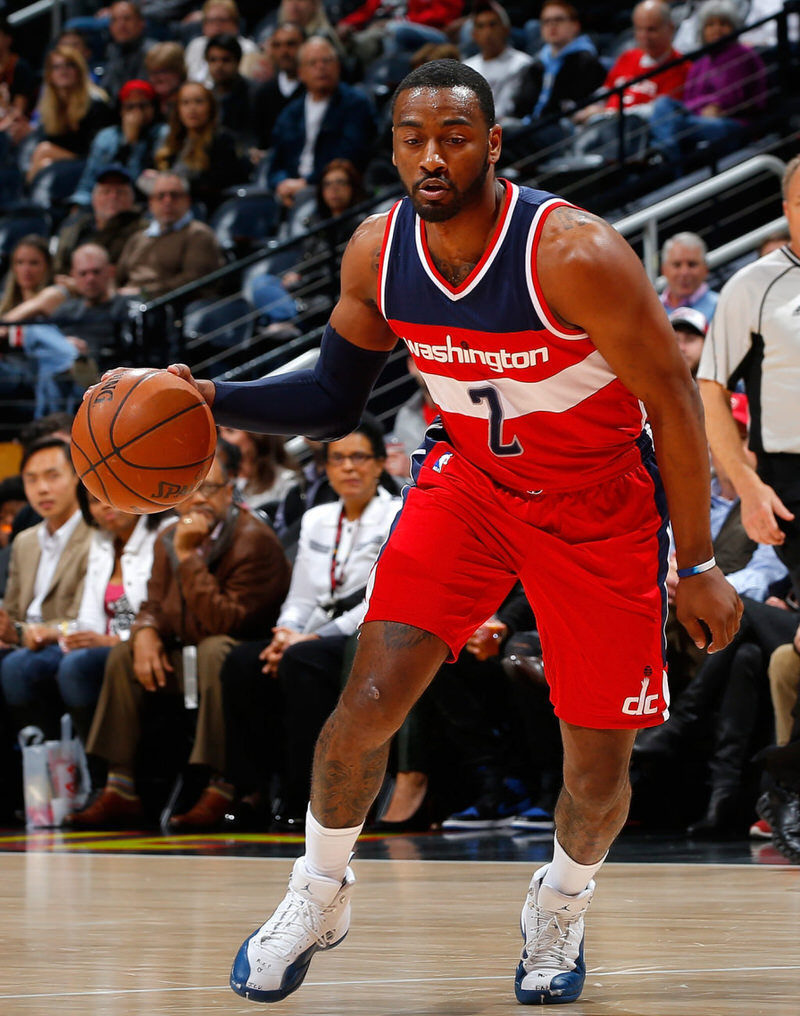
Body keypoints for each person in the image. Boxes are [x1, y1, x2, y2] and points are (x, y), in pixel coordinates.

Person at [166, 60, 741, 1006]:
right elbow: (328, 397)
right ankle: (317, 890)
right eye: (411, 138)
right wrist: (212, 398)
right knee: (369, 697)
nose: (431, 156)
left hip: (596, 509)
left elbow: (675, 405)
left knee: (596, 774)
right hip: (467, 486)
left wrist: (702, 562)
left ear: (493, 144)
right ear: (392, 144)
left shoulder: (575, 253)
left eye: (454, 136)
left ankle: (561, 900)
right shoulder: (375, 251)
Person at [67, 444, 291, 828]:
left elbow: (228, 622)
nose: (199, 499)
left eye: (210, 488)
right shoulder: (167, 536)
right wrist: (146, 631)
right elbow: (153, 603)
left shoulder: (253, 539)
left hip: (247, 663)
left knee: (214, 650)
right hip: (187, 654)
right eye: (190, 490)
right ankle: (119, 786)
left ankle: (221, 785)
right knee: (125, 655)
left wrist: (188, 558)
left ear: (230, 489)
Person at [216, 418, 401, 832]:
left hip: (365, 633)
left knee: (303, 660)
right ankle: (250, 790)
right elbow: (301, 596)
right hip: (310, 633)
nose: (349, 468)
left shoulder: (398, 514)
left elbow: (376, 601)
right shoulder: (317, 518)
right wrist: (284, 633)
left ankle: (307, 795)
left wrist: (308, 638)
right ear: (326, 468)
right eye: (339, 459)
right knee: (242, 663)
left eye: (359, 458)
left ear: (378, 464)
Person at [697, 153, 800, 606]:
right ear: (785, 209)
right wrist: (745, 482)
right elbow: (711, 390)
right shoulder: (753, 285)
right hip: (791, 474)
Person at [0, 438, 92, 740]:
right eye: (32, 479)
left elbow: (85, 616)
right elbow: (12, 611)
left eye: (53, 476)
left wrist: (22, 633)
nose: (41, 489)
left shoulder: (97, 534)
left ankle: (48, 757)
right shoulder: (25, 540)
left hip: (64, 642)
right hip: (23, 641)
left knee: (18, 667)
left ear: (78, 476)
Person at [649, 0, 767, 176]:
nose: (716, 29)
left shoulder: (742, 54)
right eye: (710, 25)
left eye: (723, 24)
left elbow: (734, 97)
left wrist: (715, 106)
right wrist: (705, 107)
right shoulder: (700, 63)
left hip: (733, 123)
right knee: (663, 104)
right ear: (702, 31)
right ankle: (670, 156)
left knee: (672, 127)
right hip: (698, 119)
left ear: (734, 27)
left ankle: (669, 163)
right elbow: (688, 100)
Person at [267, 36, 377, 208]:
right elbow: (275, 161)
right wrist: (281, 184)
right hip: (293, 191)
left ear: (338, 67)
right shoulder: (291, 112)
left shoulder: (355, 104)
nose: (321, 67)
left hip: (334, 190)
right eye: (313, 63)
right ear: (301, 73)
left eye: (326, 61)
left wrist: (307, 182)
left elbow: (350, 154)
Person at [574, 0, 688, 125]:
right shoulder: (628, 57)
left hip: (635, 132)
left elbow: (657, 112)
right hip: (602, 124)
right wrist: (588, 108)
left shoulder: (682, 67)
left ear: (670, 28)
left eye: (652, 30)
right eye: (639, 29)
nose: (645, 36)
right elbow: (606, 91)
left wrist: (607, 113)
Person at [116, 171, 225, 299]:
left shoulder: (198, 234)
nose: (167, 201)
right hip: (126, 303)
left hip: (166, 306)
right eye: (161, 196)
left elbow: (195, 281)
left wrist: (143, 291)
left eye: (174, 196)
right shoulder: (137, 238)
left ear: (187, 201)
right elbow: (118, 278)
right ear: (151, 203)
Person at [151, 80, 250, 213]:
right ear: (178, 109)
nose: (192, 108)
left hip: (205, 210)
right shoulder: (171, 142)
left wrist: (177, 184)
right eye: (185, 103)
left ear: (211, 107)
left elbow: (219, 183)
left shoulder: (222, 140)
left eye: (199, 102)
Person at [68, 82, 166, 210]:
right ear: (121, 110)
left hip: (145, 205)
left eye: (143, 106)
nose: (137, 113)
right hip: (104, 204)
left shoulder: (164, 135)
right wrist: (78, 206)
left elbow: (136, 182)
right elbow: (89, 181)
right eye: (130, 107)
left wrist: (133, 141)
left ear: (154, 108)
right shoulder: (107, 137)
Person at [24, 46, 113, 185]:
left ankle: (26, 193)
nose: (63, 71)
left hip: (91, 161)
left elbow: (100, 149)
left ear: (79, 70)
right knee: (44, 161)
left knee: (44, 151)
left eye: (69, 65)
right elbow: (47, 137)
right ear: (50, 75)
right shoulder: (51, 105)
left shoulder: (95, 102)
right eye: (56, 67)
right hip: (66, 161)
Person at [56, 165, 150, 272]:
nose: (113, 197)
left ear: (132, 199)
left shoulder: (142, 230)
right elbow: (59, 263)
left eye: (120, 192)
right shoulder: (76, 226)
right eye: (106, 192)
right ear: (94, 198)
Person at [461, 1, 533, 121]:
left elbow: (509, 110)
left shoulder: (522, 63)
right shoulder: (466, 68)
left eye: (493, 25)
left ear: (505, 30)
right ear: (474, 35)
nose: (488, 32)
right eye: (481, 26)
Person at [249, 22, 305, 153]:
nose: (284, 52)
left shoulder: (315, 89)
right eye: (277, 45)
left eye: (290, 44)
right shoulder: (263, 93)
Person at [184, 0, 258, 87]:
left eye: (222, 20)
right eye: (211, 20)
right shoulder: (196, 46)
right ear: (203, 25)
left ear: (235, 24)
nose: (217, 26)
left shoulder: (248, 48)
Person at [100, 1, 157, 100]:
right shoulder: (111, 52)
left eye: (127, 19)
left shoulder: (154, 52)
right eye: (114, 20)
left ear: (141, 23)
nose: (121, 25)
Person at [659, 231, 719, 320]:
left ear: (705, 269)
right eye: (677, 265)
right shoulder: (648, 308)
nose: (684, 272)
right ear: (664, 270)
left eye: (692, 264)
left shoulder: (721, 306)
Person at [144, 41, 187, 122]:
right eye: (153, 72)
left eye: (163, 71)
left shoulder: (192, 98)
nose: (157, 78)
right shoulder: (146, 102)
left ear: (179, 71)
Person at [669, 305, 708, 377]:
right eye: (674, 340)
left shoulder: (721, 385)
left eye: (690, 339)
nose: (681, 347)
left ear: (705, 343)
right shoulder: (648, 382)